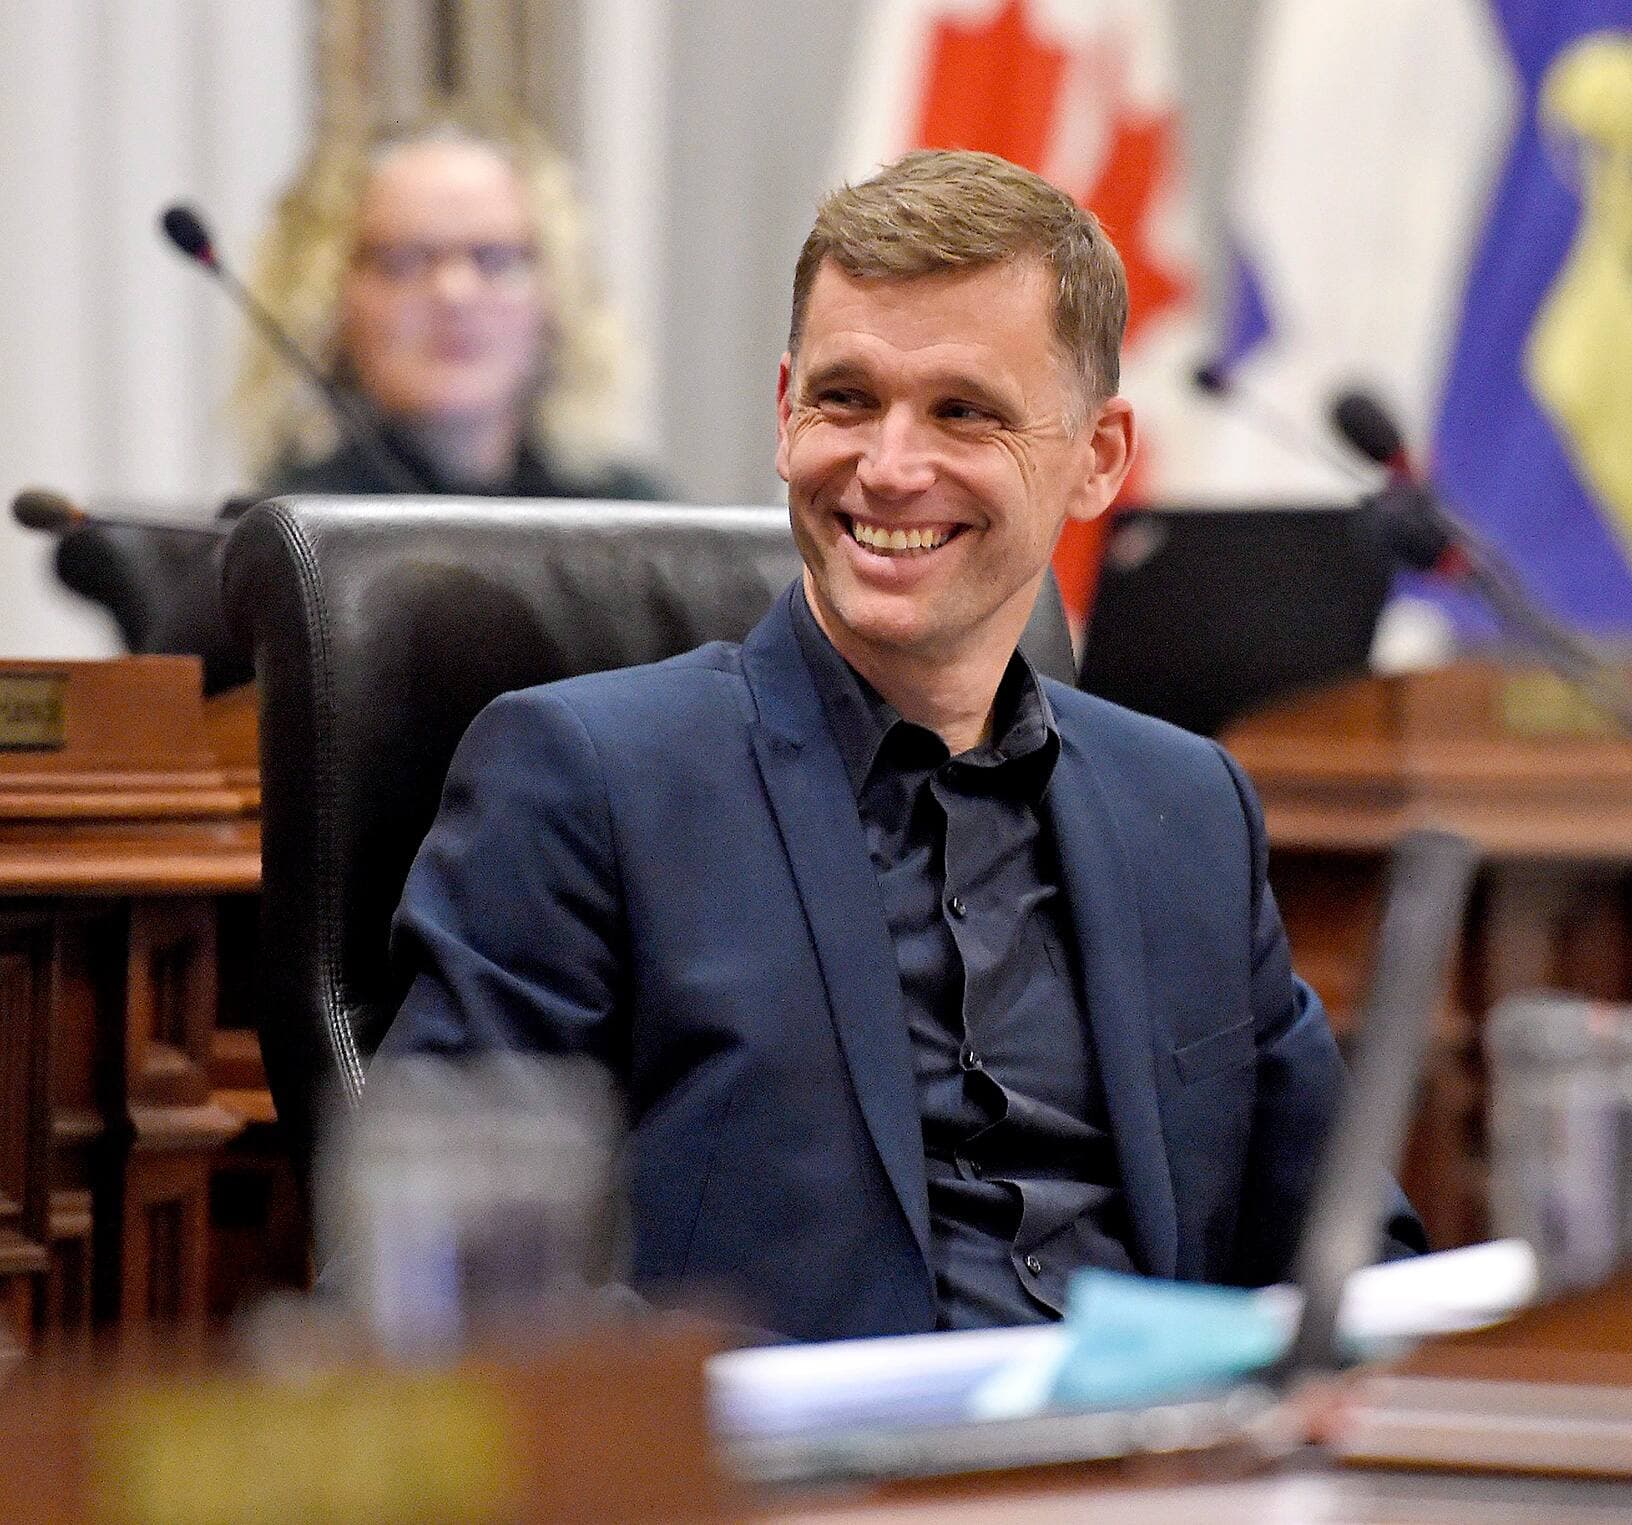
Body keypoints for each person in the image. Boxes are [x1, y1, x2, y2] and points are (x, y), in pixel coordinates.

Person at [380, 149, 1423, 1342]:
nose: (887, 467)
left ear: (1099, 458)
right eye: (845, 399)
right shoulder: (585, 779)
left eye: (961, 412)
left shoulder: (1185, 806)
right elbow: (453, 1269)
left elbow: (1353, 1255)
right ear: (783, 415)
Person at [152, 107, 663, 689]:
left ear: (557, 294)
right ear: (329, 301)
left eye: (495, 259)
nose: (454, 292)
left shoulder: (628, 514)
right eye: (403, 262)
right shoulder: (288, 533)